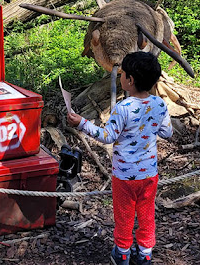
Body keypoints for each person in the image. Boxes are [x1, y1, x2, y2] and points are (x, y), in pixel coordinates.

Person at [67, 51, 172, 265]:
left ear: (130, 80)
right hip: (149, 174)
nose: (121, 76)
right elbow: (167, 132)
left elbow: (108, 136)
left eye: (123, 73)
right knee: (146, 213)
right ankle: (144, 254)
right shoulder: (160, 105)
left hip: (124, 176)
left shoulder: (123, 108)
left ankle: (122, 253)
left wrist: (81, 123)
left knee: (124, 215)